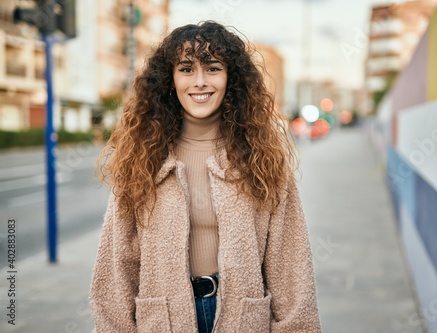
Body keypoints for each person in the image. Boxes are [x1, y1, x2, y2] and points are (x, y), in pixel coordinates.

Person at [89, 21, 321, 333]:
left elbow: (290, 264)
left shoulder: (262, 159)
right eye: (186, 69)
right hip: (162, 320)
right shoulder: (142, 159)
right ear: (170, 79)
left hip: (242, 319)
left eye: (212, 68)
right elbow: (117, 266)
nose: (199, 82)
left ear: (231, 78)